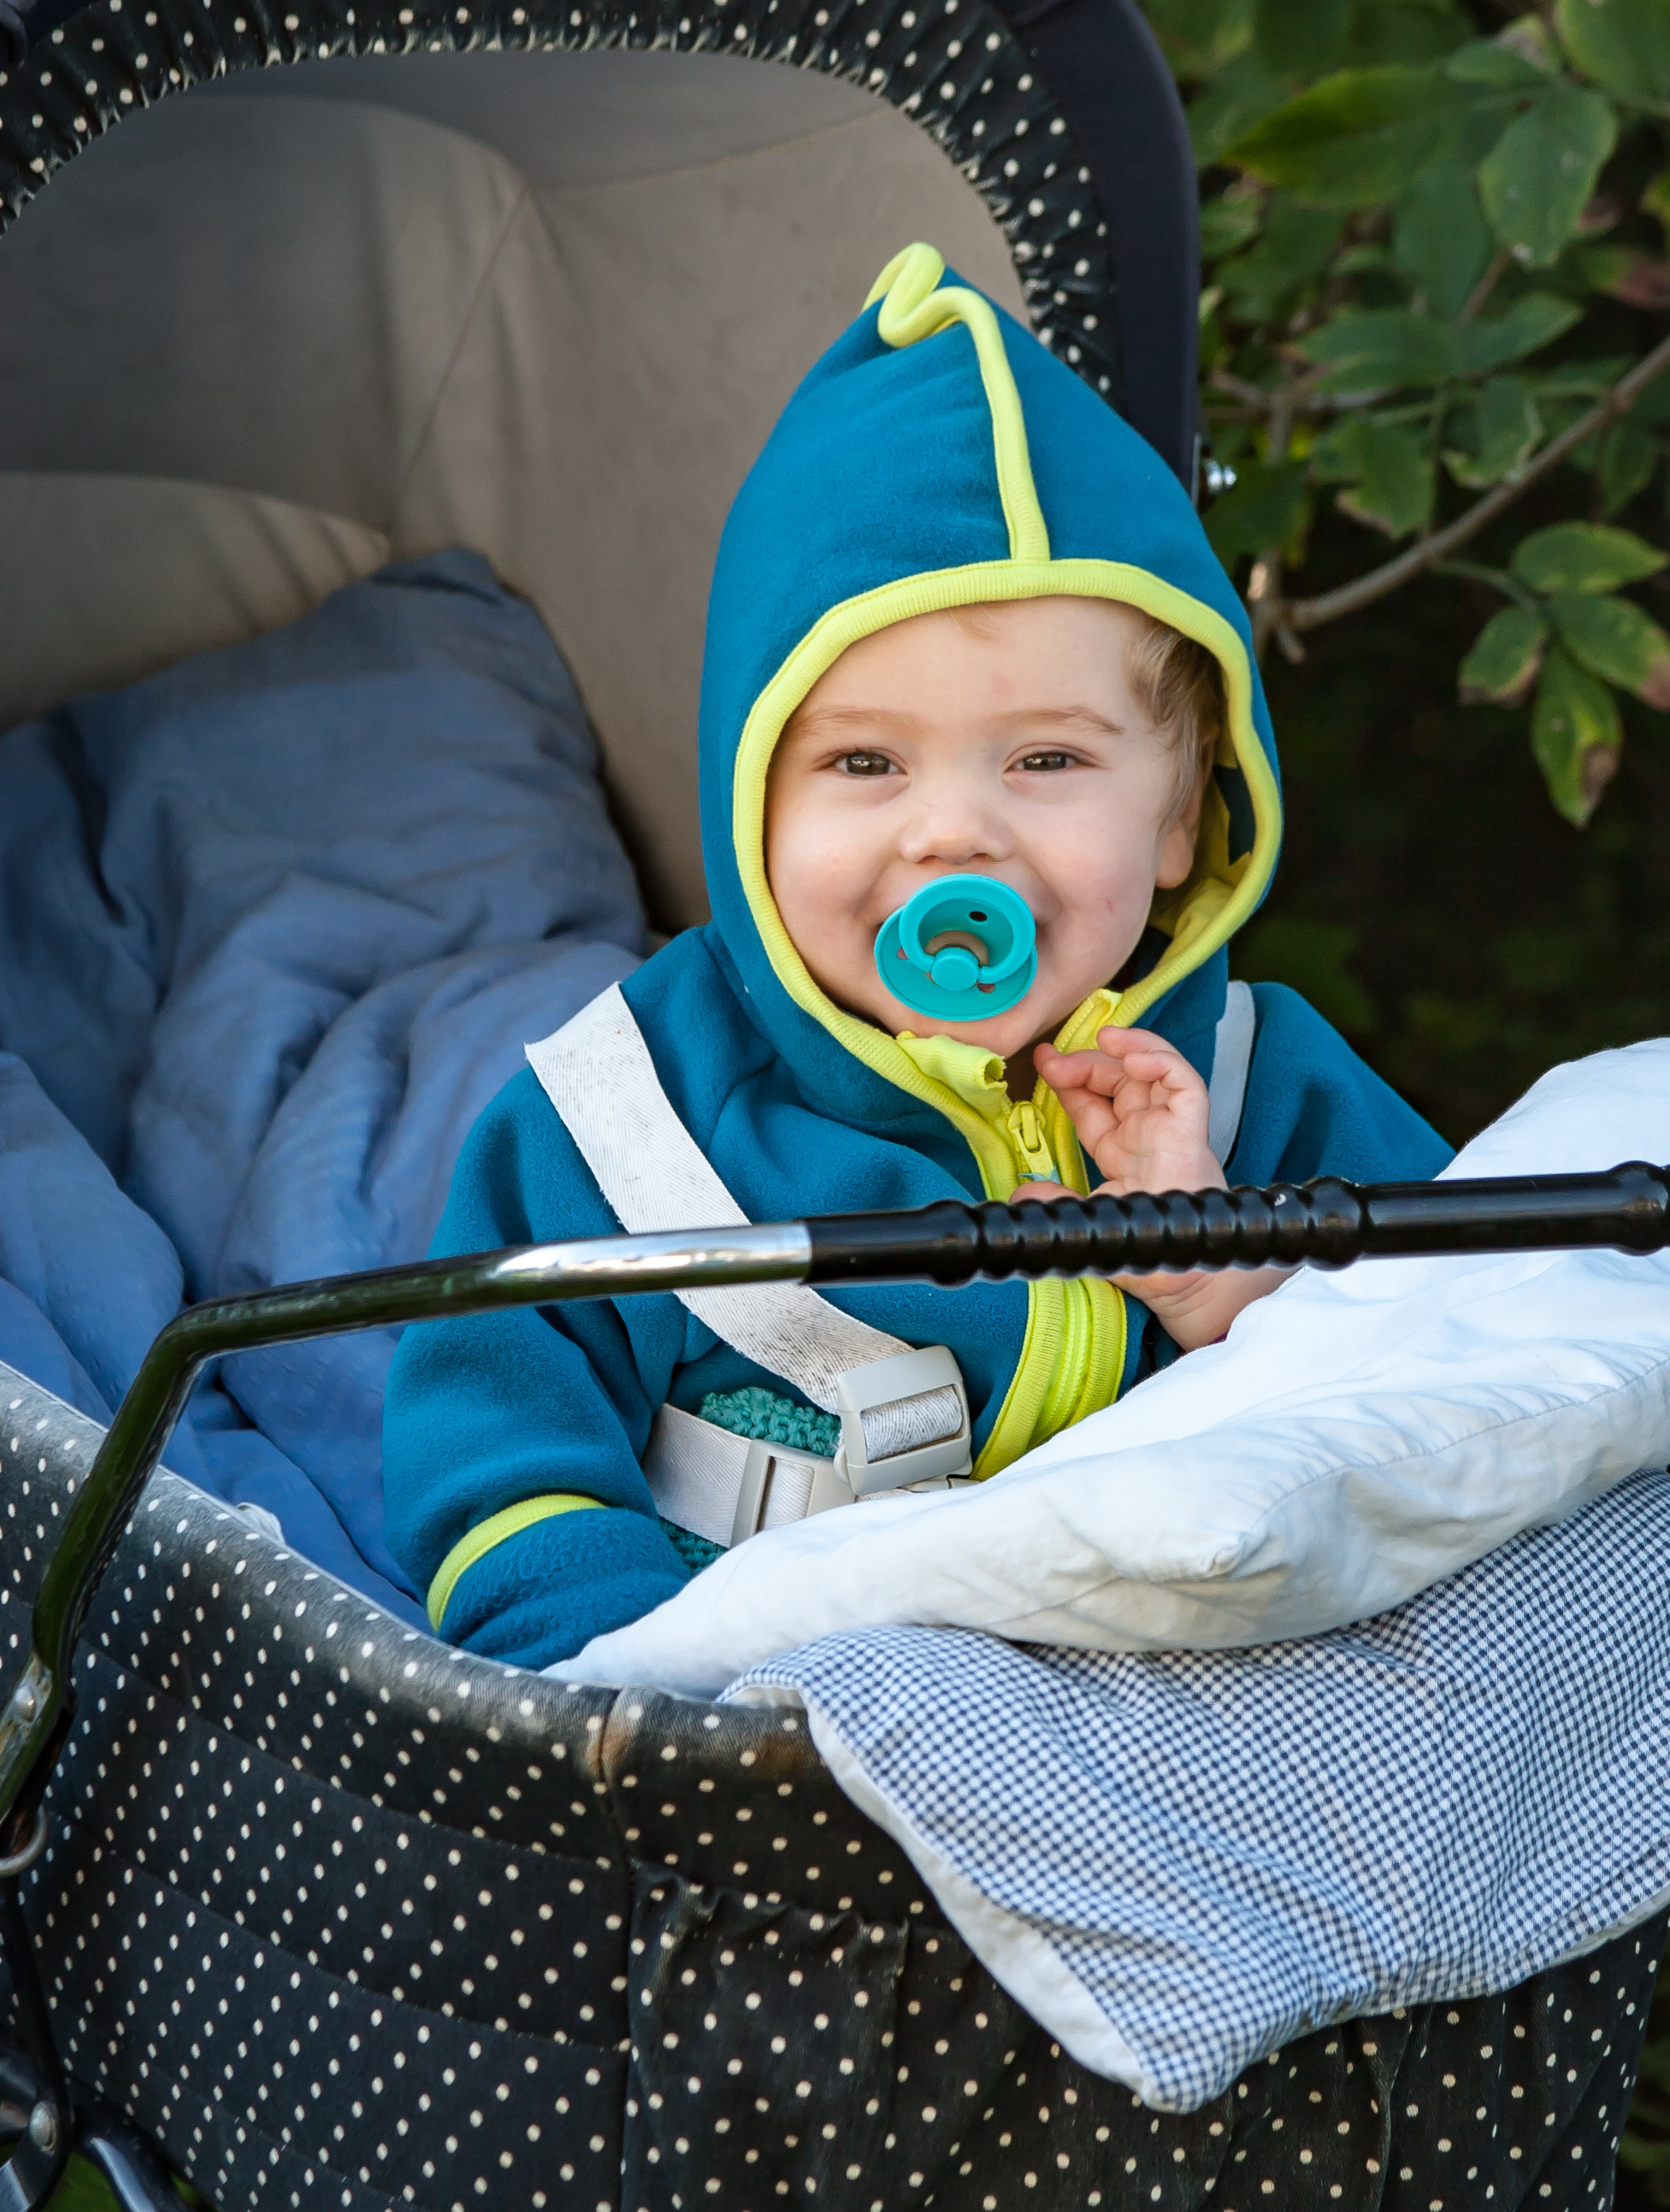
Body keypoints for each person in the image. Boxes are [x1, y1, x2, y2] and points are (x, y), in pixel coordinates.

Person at [381, 245, 1449, 1668]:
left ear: (1182, 820)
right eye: (865, 762)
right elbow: (492, 1443)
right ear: (752, 811)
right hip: (735, 1706)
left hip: (1163, 1703)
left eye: (1048, 759)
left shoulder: (1271, 1095)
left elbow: (1462, 1405)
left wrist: (1225, 1287)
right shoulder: (633, 1121)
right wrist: (620, 1696)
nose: (953, 832)